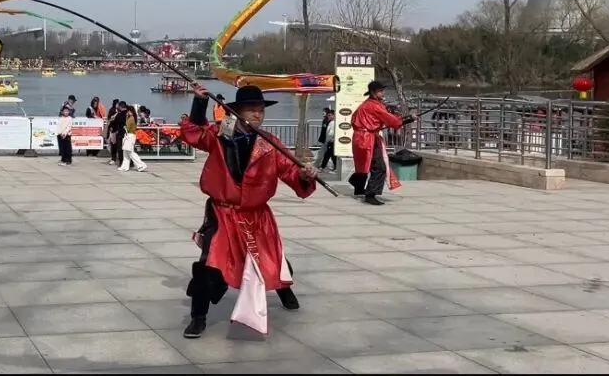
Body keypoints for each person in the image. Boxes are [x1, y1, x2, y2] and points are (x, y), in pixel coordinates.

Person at [180, 83, 319, 339]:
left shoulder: (271, 143)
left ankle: (284, 288)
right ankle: (198, 316)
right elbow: (193, 134)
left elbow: (290, 170)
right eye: (251, 110)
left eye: (261, 110)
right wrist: (199, 103)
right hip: (223, 214)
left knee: (269, 259)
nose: (257, 115)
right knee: (210, 264)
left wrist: (304, 174)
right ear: (237, 111)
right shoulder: (220, 134)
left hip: (257, 216)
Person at [349, 80, 415, 206]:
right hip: (367, 139)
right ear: (373, 92)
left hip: (359, 137)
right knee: (379, 166)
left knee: (364, 164)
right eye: (380, 91)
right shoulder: (375, 106)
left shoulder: (365, 104)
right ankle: (370, 194)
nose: (383, 93)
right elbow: (392, 121)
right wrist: (409, 119)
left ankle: (358, 186)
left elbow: (355, 119)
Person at [117, 106, 147, 172]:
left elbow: (127, 128)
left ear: (130, 111)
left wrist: (124, 126)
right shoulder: (132, 118)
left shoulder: (131, 118)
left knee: (130, 153)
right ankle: (125, 166)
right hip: (130, 136)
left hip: (129, 136)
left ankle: (141, 165)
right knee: (126, 153)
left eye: (128, 111)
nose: (127, 112)